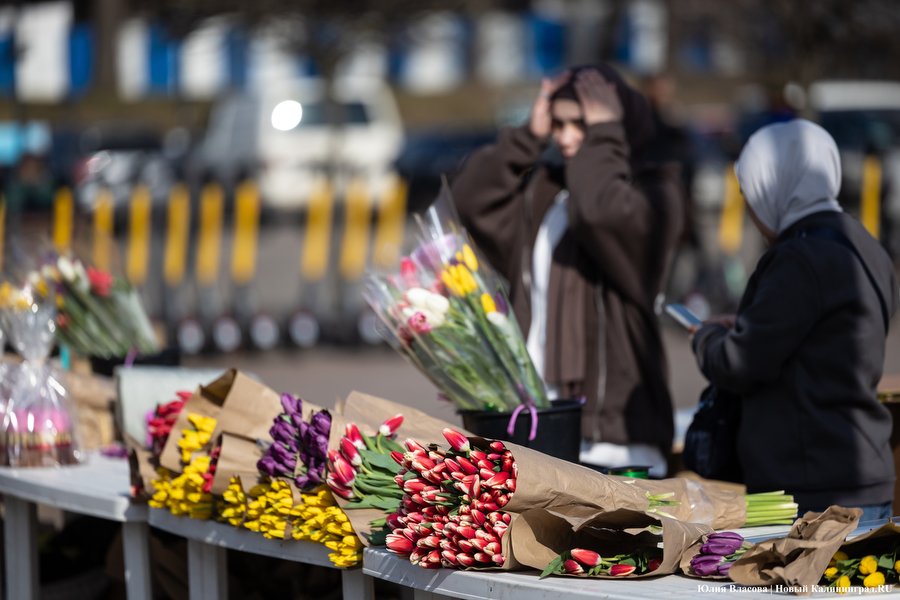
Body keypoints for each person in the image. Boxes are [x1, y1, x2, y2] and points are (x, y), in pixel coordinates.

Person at [451, 66, 684, 476]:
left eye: (583, 123)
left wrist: (607, 134)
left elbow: (598, 213)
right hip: (540, 424)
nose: (567, 136)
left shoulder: (654, 193)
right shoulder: (545, 193)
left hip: (617, 440)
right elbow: (470, 201)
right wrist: (527, 136)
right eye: (559, 124)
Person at [691, 119, 898, 519]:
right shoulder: (865, 245)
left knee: (797, 585)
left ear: (772, 184)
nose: (750, 208)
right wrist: (752, 323)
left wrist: (705, 337)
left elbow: (741, 364)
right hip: (861, 471)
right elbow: (832, 331)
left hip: (810, 489)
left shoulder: (798, 257)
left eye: (749, 192)